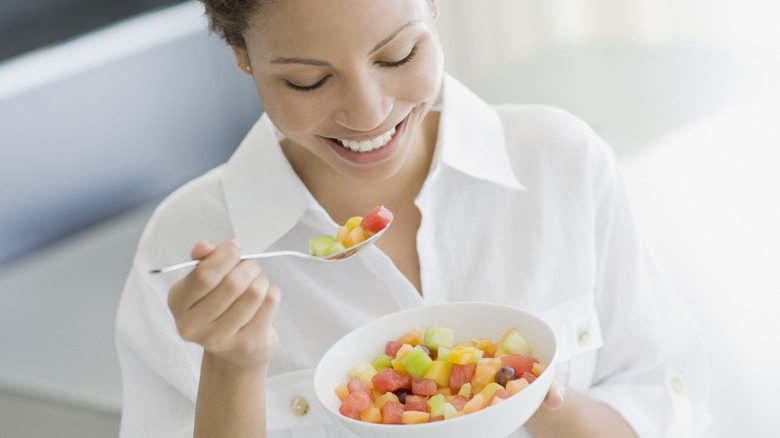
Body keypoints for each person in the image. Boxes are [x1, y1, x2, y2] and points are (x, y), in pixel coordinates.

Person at [115, 0, 707, 436]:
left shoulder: (560, 163)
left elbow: (668, 404)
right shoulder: (187, 243)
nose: (369, 113)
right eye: (309, 79)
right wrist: (233, 368)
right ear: (243, 59)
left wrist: (538, 404)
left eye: (399, 55)